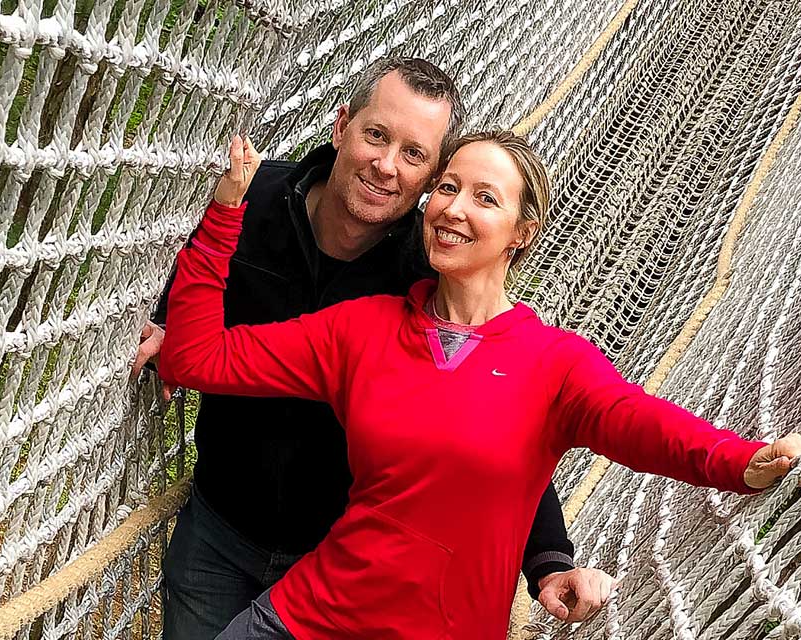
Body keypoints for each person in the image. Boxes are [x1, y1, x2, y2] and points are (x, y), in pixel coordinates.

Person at [158, 130, 801, 640]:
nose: (453, 208)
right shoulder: (363, 330)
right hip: (303, 618)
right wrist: (223, 218)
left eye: (485, 197)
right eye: (445, 187)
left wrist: (739, 462)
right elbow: (198, 360)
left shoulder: (555, 364)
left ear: (521, 234)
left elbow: (637, 422)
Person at [134, 58, 599, 639]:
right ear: (341, 127)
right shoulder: (255, 203)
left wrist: (548, 558)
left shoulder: (425, 272)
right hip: (219, 530)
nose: (386, 166)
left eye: (413, 155)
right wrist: (166, 329)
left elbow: (497, 425)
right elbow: (198, 283)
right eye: (376, 135)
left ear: (431, 177)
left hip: (335, 561)